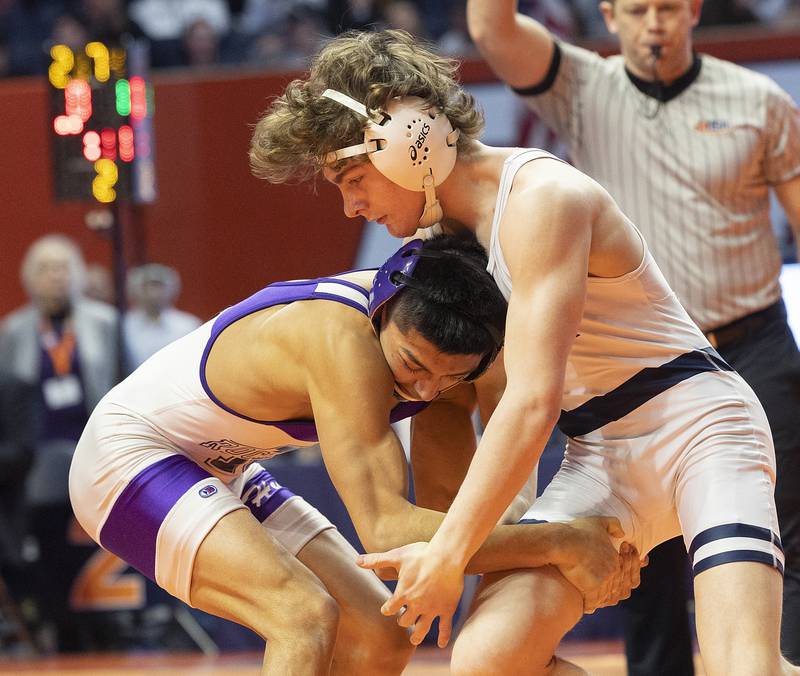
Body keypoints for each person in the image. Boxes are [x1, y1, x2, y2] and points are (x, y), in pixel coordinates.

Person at [249, 28, 796, 676]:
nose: (350, 205)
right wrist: (475, 543)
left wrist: (448, 554)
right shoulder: (447, 237)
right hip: (601, 452)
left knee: (746, 666)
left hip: (701, 427)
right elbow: (473, 404)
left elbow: (533, 401)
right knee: (486, 661)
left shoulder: (542, 201)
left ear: (407, 143)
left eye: (353, 177)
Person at [69, 234, 635, 675]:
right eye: (412, 365)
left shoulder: (437, 363)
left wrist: (541, 553)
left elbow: (450, 513)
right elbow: (388, 532)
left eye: (448, 379)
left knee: (381, 635)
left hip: (224, 463)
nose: (422, 391)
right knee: (301, 616)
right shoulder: (341, 342)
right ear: (384, 310)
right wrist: (560, 542)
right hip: (129, 454)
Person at [465, 0, 800, 670]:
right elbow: (491, 30)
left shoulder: (760, 100)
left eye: (670, 7)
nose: (656, 23)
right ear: (609, 15)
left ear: (695, 11)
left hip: (750, 344)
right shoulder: (583, 88)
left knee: (785, 537)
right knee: (637, 571)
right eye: (638, 8)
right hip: (629, 369)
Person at [124, 263, 202, 371]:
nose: (153, 292)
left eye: (159, 286)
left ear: (172, 289)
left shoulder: (188, 326)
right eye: (147, 286)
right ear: (135, 289)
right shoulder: (124, 325)